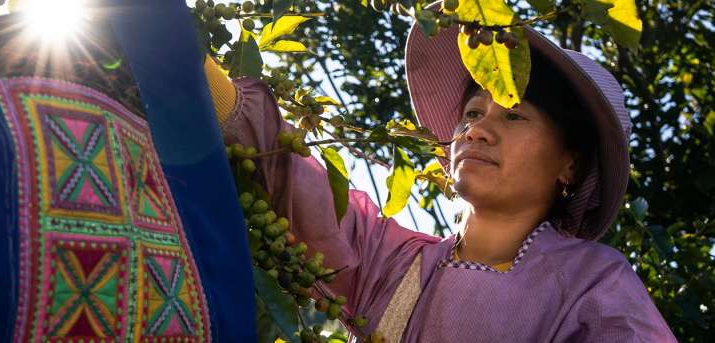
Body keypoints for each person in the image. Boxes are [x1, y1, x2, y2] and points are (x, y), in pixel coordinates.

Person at [203, 10, 676, 343]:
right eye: (471, 113)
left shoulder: (594, 282)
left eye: (513, 116)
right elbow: (289, 173)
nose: (478, 130)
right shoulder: (394, 261)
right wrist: (190, 61)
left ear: (569, 163)